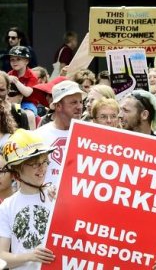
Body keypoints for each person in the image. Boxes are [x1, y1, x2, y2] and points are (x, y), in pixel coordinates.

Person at [0, 128, 56, 269]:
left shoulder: (56, 194)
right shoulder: (7, 206)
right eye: (35, 164)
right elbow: (1, 257)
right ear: (17, 168)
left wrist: (64, 201)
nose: (42, 168)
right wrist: (30, 256)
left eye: (44, 162)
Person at [34, 80, 86, 186]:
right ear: (58, 106)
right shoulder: (38, 136)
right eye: (73, 102)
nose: (80, 107)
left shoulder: (89, 135)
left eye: (81, 102)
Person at [7, 46, 47, 129]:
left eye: (18, 59)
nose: (14, 62)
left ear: (26, 61)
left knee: (29, 115)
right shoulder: (9, 74)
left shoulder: (32, 76)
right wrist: (7, 80)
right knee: (8, 115)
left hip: (28, 104)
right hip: (14, 104)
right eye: (12, 59)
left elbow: (27, 93)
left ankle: (32, 138)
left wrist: (16, 81)